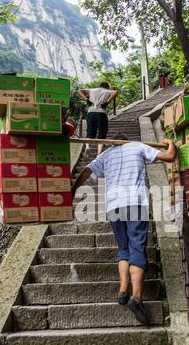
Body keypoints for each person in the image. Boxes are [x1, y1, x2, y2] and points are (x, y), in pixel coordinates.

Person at [72, 138, 176, 325]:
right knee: (137, 247)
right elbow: (169, 156)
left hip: (113, 205)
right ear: (127, 140)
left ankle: (122, 291)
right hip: (135, 202)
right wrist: (171, 144)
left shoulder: (106, 154)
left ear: (112, 142)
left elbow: (86, 171)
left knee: (123, 249)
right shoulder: (138, 146)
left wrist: (72, 191)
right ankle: (136, 297)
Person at [78, 83, 118, 155]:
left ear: (100, 86)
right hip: (101, 113)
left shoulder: (92, 90)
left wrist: (87, 100)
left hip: (91, 112)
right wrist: (107, 102)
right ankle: (99, 154)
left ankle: (87, 147)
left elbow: (79, 90)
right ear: (107, 87)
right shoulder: (106, 91)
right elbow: (115, 92)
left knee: (90, 132)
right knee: (102, 134)